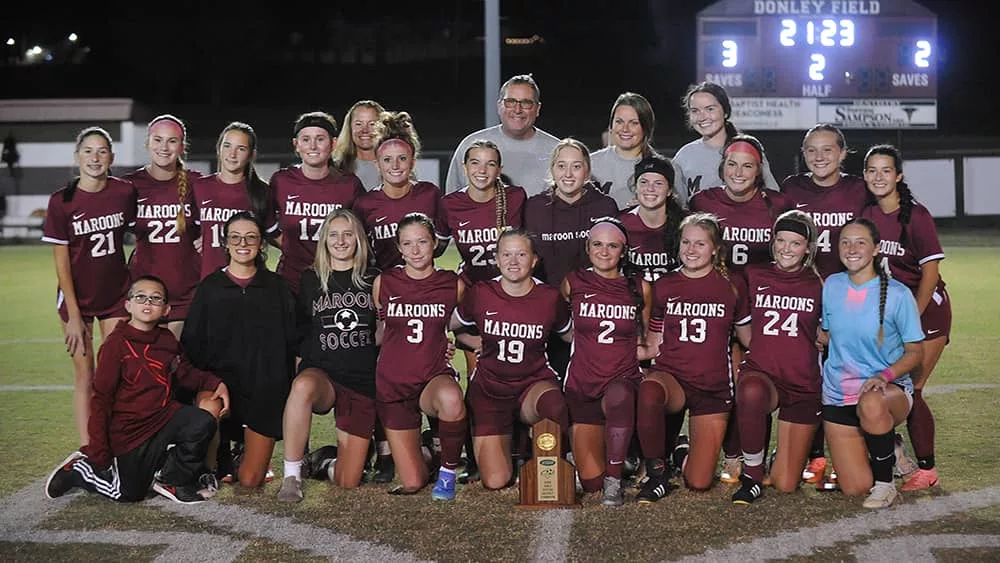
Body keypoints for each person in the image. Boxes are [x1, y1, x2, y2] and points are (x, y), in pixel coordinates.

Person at [45, 275, 229, 504]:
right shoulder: (115, 345)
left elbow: (184, 373)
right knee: (128, 495)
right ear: (128, 305)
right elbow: (101, 400)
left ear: (166, 309)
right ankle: (82, 469)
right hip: (130, 433)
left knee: (202, 422)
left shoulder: (166, 339)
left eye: (155, 298)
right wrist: (99, 452)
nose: (148, 303)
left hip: (163, 418)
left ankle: (172, 479)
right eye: (140, 297)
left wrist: (214, 383)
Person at [689, 134, 793, 482]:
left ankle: (755, 456)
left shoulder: (777, 204)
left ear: (759, 171)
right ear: (722, 167)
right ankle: (733, 454)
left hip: (762, 308)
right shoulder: (702, 201)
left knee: (754, 382)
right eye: (732, 164)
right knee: (727, 383)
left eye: (747, 165)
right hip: (715, 306)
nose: (738, 171)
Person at [635, 212, 751, 502]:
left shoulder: (732, 285)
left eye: (699, 244)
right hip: (673, 377)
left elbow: (748, 338)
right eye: (686, 242)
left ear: (714, 248)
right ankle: (657, 472)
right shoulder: (665, 284)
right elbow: (653, 341)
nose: (691, 249)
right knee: (649, 390)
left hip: (712, 387)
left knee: (699, 482)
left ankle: (681, 451)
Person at [181, 212, 298, 492]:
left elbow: (296, 341)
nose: (242, 243)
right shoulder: (210, 288)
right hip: (221, 389)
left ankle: (239, 455)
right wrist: (208, 385)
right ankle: (211, 463)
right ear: (225, 243)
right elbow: (192, 348)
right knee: (209, 407)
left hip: (263, 395)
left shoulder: (278, 288)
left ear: (261, 244)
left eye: (251, 237)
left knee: (250, 480)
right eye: (235, 237)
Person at [451, 229, 573, 490]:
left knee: (554, 404)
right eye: (506, 254)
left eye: (521, 254)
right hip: (490, 390)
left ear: (534, 260)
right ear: (496, 258)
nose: (513, 261)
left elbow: (572, 336)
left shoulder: (550, 298)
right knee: (496, 481)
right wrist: (473, 341)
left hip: (532, 383)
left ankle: (543, 463)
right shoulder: (481, 293)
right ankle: (517, 444)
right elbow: (450, 326)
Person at [780, 123, 868, 486]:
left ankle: (865, 448)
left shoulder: (858, 190)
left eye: (827, 149)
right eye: (811, 150)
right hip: (804, 300)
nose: (819, 157)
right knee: (809, 378)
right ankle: (814, 455)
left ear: (843, 153)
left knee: (849, 378)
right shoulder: (791, 189)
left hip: (848, 302)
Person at [860, 145, 950, 491]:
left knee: (915, 389)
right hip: (889, 315)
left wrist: (911, 315)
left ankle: (926, 468)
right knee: (884, 386)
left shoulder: (915, 215)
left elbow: (930, 271)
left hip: (926, 312)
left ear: (898, 176)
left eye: (885, 170)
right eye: (871, 170)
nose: (878, 177)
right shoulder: (867, 211)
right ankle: (893, 447)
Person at [41, 126, 136, 447]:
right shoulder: (61, 202)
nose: (95, 158)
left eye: (102, 151)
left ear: (112, 157)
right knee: (85, 375)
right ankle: (89, 448)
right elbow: (62, 262)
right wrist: (73, 315)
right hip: (76, 300)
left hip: (115, 297)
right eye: (88, 151)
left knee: (115, 374)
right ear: (76, 156)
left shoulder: (124, 192)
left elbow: (146, 233)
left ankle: (115, 437)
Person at [819, 218, 924, 508]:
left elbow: (916, 352)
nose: (852, 248)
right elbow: (827, 334)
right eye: (845, 242)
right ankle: (888, 442)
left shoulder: (898, 294)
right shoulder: (832, 285)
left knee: (871, 402)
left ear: (876, 249)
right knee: (854, 487)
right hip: (838, 394)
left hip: (886, 392)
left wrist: (885, 374)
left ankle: (886, 485)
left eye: (860, 242)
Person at [278, 209, 379, 502]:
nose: (341, 241)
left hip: (361, 380)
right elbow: (302, 331)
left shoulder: (374, 278)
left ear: (358, 239)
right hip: (324, 375)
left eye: (348, 234)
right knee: (301, 386)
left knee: (349, 480)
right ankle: (292, 476)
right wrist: (300, 370)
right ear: (324, 241)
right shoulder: (311, 279)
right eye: (333, 234)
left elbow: (386, 329)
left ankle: (325, 461)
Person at [372, 213, 468, 500]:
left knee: (451, 399)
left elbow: (462, 327)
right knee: (413, 482)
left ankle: (448, 472)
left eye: (422, 242)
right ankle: (428, 446)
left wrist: (453, 342)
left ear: (434, 243)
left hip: (431, 377)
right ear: (399, 248)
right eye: (407, 243)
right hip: (393, 384)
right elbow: (380, 332)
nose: (415, 250)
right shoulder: (384, 283)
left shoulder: (453, 284)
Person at [731, 210, 824, 504]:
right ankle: (752, 475)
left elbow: (827, 332)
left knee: (785, 484)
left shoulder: (819, 284)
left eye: (795, 243)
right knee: (750, 390)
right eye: (781, 241)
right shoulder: (754, 275)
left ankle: (778, 457)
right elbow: (743, 327)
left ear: (808, 247)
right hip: (764, 372)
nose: (786, 249)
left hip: (802, 381)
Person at [561, 218, 653, 506]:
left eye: (612, 246)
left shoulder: (641, 288)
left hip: (621, 379)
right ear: (587, 248)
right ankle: (615, 460)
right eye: (597, 244)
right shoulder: (573, 282)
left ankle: (616, 480)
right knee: (591, 484)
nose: (604, 251)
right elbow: (557, 326)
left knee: (620, 396)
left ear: (623, 251)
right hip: (582, 383)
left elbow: (646, 338)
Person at [524, 138, 618, 380]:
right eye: (561, 166)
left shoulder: (604, 206)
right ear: (552, 169)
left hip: (592, 314)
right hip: (547, 315)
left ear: (587, 170)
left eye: (576, 166)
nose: (568, 173)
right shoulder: (534, 207)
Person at [124, 114, 203, 339]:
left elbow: (225, 218)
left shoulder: (197, 183)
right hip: (145, 294)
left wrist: (211, 238)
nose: (164, 147)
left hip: (187, 293)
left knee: (180, 367)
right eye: (157, 140)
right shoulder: (130, 185)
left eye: (172, 141)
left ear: (182, 146)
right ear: (147, 143)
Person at [269, 111, 366, 295]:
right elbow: (265, 223)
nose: (313, 145)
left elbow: (362, 233)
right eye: (306, 139)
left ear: (333, 143)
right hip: (291, 282)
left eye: (320, 139)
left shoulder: (348, 184)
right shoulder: (282, 181)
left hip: (335, 282)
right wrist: (290, 247)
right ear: (296, 145)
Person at [353, 111, 447, 271]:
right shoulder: (365, 204)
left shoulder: (429, 194)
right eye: (387, 160)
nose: (395, 166)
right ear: (377, 165)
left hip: (424, 284)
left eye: (402, 159)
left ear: (412, 163)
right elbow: (363, 255)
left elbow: (441, 244)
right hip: (384, 287)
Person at [445, 74, 560, 196]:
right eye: (510, 102)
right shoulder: (471, 145)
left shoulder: (557, 151)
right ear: (499, 106)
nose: (517, 109)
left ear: (537, 109)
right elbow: (452, 200)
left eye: (526, 103)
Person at [672, 82, 779, 203]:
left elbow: (773, 197)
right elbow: (678, 206)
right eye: (695, 111)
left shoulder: (747, 148)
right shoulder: (684, 156)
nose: (702, 117)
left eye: (710, 109)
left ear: (726, 112)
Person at [440, 140, 528, 286]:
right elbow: (435, 249)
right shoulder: (449, 204)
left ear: (499, 170)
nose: (482, 170)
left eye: (490, 164)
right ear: (464, 167)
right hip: (471, 287)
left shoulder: (516, 197)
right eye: (475, 163)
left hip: (512, 287)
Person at [192, 121, 272, 280]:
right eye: (227, 146)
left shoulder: (262, 192)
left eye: (241, 149)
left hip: (248, 282)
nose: (232, 154)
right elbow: (188, 230)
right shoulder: (199, 187)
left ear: (251, 154)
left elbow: (273, 234)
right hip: (208, 281)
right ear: (219, 148)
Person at [617, 155, 688, 282]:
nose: (650, 189)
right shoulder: (620, 223)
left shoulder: (686, 225)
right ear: (636, 187)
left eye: (658, 183)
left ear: (669, 191)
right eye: (644, 182)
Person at [590, 92, 660, 209]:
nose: (625, 129)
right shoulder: (589, 164)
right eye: (619, 122)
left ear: (646, 127)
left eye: (634, 123)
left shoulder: (664, 168)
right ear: (611, 126)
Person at [333, 100, 386, 190]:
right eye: (358, 124)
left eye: (372, 124)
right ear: (350, 127)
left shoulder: (396, 167)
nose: (365, 130)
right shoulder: (336, 168)